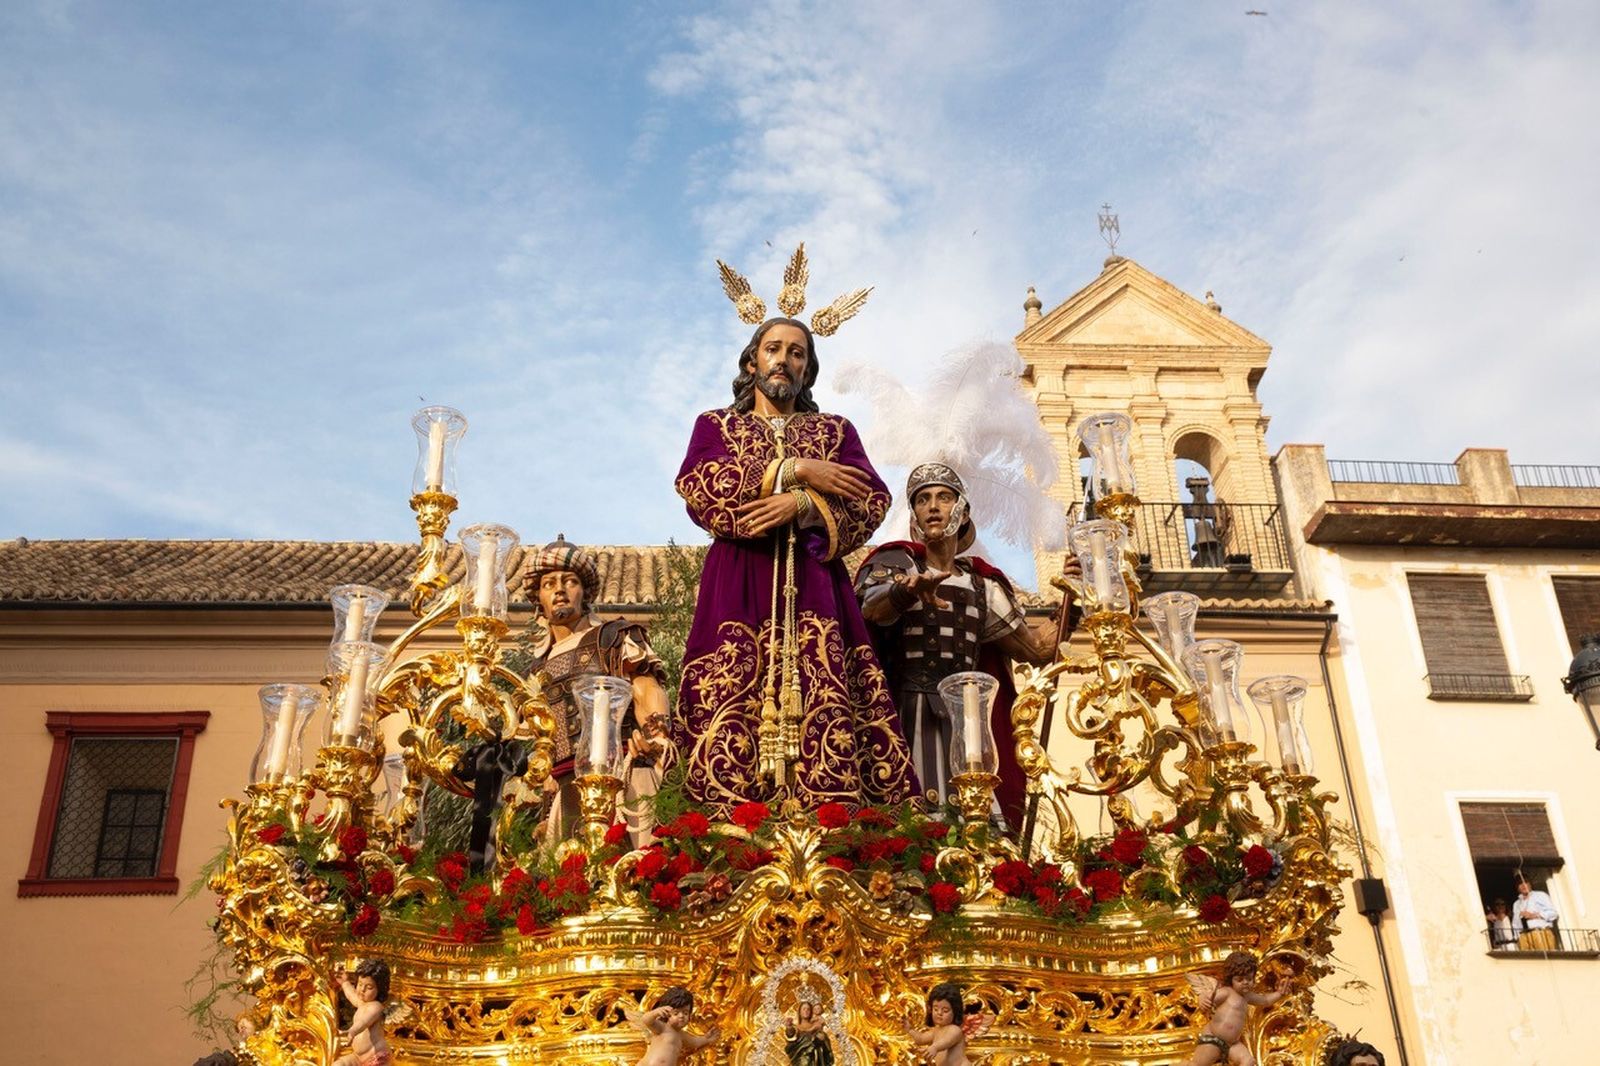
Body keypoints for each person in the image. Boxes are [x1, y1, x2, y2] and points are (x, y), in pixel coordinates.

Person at [673, 258, 916, 816]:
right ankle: (728, 828)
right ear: (753, 360)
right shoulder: (717, 426)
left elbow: (872, 500)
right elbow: (699, 489)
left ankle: (832, 821)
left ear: (808, 370)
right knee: (729, 695)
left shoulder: (836, 431)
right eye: (773, 348)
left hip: (816, 589)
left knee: (825, 699)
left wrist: (805, 508)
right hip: (738, 580)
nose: (784, 359)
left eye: (797, 352)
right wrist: (797, 472)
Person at [857, 463, 1079, 826]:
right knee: (908, 819)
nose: (932, 506)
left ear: (962, 514)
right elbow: (869, 607)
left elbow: (1036, 650)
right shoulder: (895, 562)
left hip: (968, 723)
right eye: (923, 500)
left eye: (943, 498)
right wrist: (905, 590)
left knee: (977, 823)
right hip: (903, 713)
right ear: (914, 519)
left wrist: (1074, 601)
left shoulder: (983, 585)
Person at [520, 536, 671, 844]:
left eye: (570, 581)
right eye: (549, 583)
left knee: (633, 862)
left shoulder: (613, 637)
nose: (559, 589)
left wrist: (656, 735)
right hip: (563, 787)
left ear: (584, 592)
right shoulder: (535, 670)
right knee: (567, 877)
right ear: (539, 597)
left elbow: (645, 687)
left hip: (622, 775)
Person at [1183, 951, 1283, 1066]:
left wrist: (1279, 993)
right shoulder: (1227, 992)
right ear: (1231, 979)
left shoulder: (1248, 996)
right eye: (1240, 980)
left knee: (1248, 1061)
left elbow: (1265, 1000)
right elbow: (1209, 996)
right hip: (1213, 1039)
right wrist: (1202, 999)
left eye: (1249, 979)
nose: (1245, 983)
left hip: (1232, 1044)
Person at [623, 986, 721, 1065]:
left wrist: (707, 1039)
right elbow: (646, 1020)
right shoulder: (662, 1028)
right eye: (676, 1013)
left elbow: (694, 1042)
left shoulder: (682, 1035)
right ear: (667, 1013)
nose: (681, 1016)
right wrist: (655, 1012)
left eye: (685, 1013)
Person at [905, 982, 988, 1065]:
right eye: (935, 1009)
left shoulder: (955, 1030)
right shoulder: (936, 1030)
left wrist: (935, 1047)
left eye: (945, 1010)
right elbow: (921, 1039)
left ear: (955, 1012)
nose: (939, 1013)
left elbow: (947, 1041)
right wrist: (909, 1030)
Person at [333, 959, 392, 1066]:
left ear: (380, 990)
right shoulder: (361, 1003)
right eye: (360, 984)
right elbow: (351, 994)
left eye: (369, 987)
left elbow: (364, 1021)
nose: (362, 989)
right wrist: (345, 982)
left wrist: (353, 1031)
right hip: (358, 1056)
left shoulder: (376, 1007)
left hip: (375, 1056)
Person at [1511, 875, 1559, 950]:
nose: (1523, 885)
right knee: (1529, 961)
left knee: (1545, 959)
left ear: (1530, 884)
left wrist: (1533, 915)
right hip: (1523, 936)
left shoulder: (1540, 895)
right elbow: (1515, 923)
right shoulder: (1516, 904)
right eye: (1520, 883)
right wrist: (1517, 938)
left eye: (1526, 882)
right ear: (1517, 887)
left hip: (1540, 933)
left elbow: (1553, 913)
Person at [783, 999, 834, 1066]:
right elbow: (791, 1036)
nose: (806, 1011)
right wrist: (789, 1027)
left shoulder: (816, 1025)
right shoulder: (796, 1027)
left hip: (815, 1060)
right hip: (800, 1060)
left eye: (808, 1009)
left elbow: (824, 1041)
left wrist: (822, 1039)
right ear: (799, 1012)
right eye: (804, 1009)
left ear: (811, 1012)